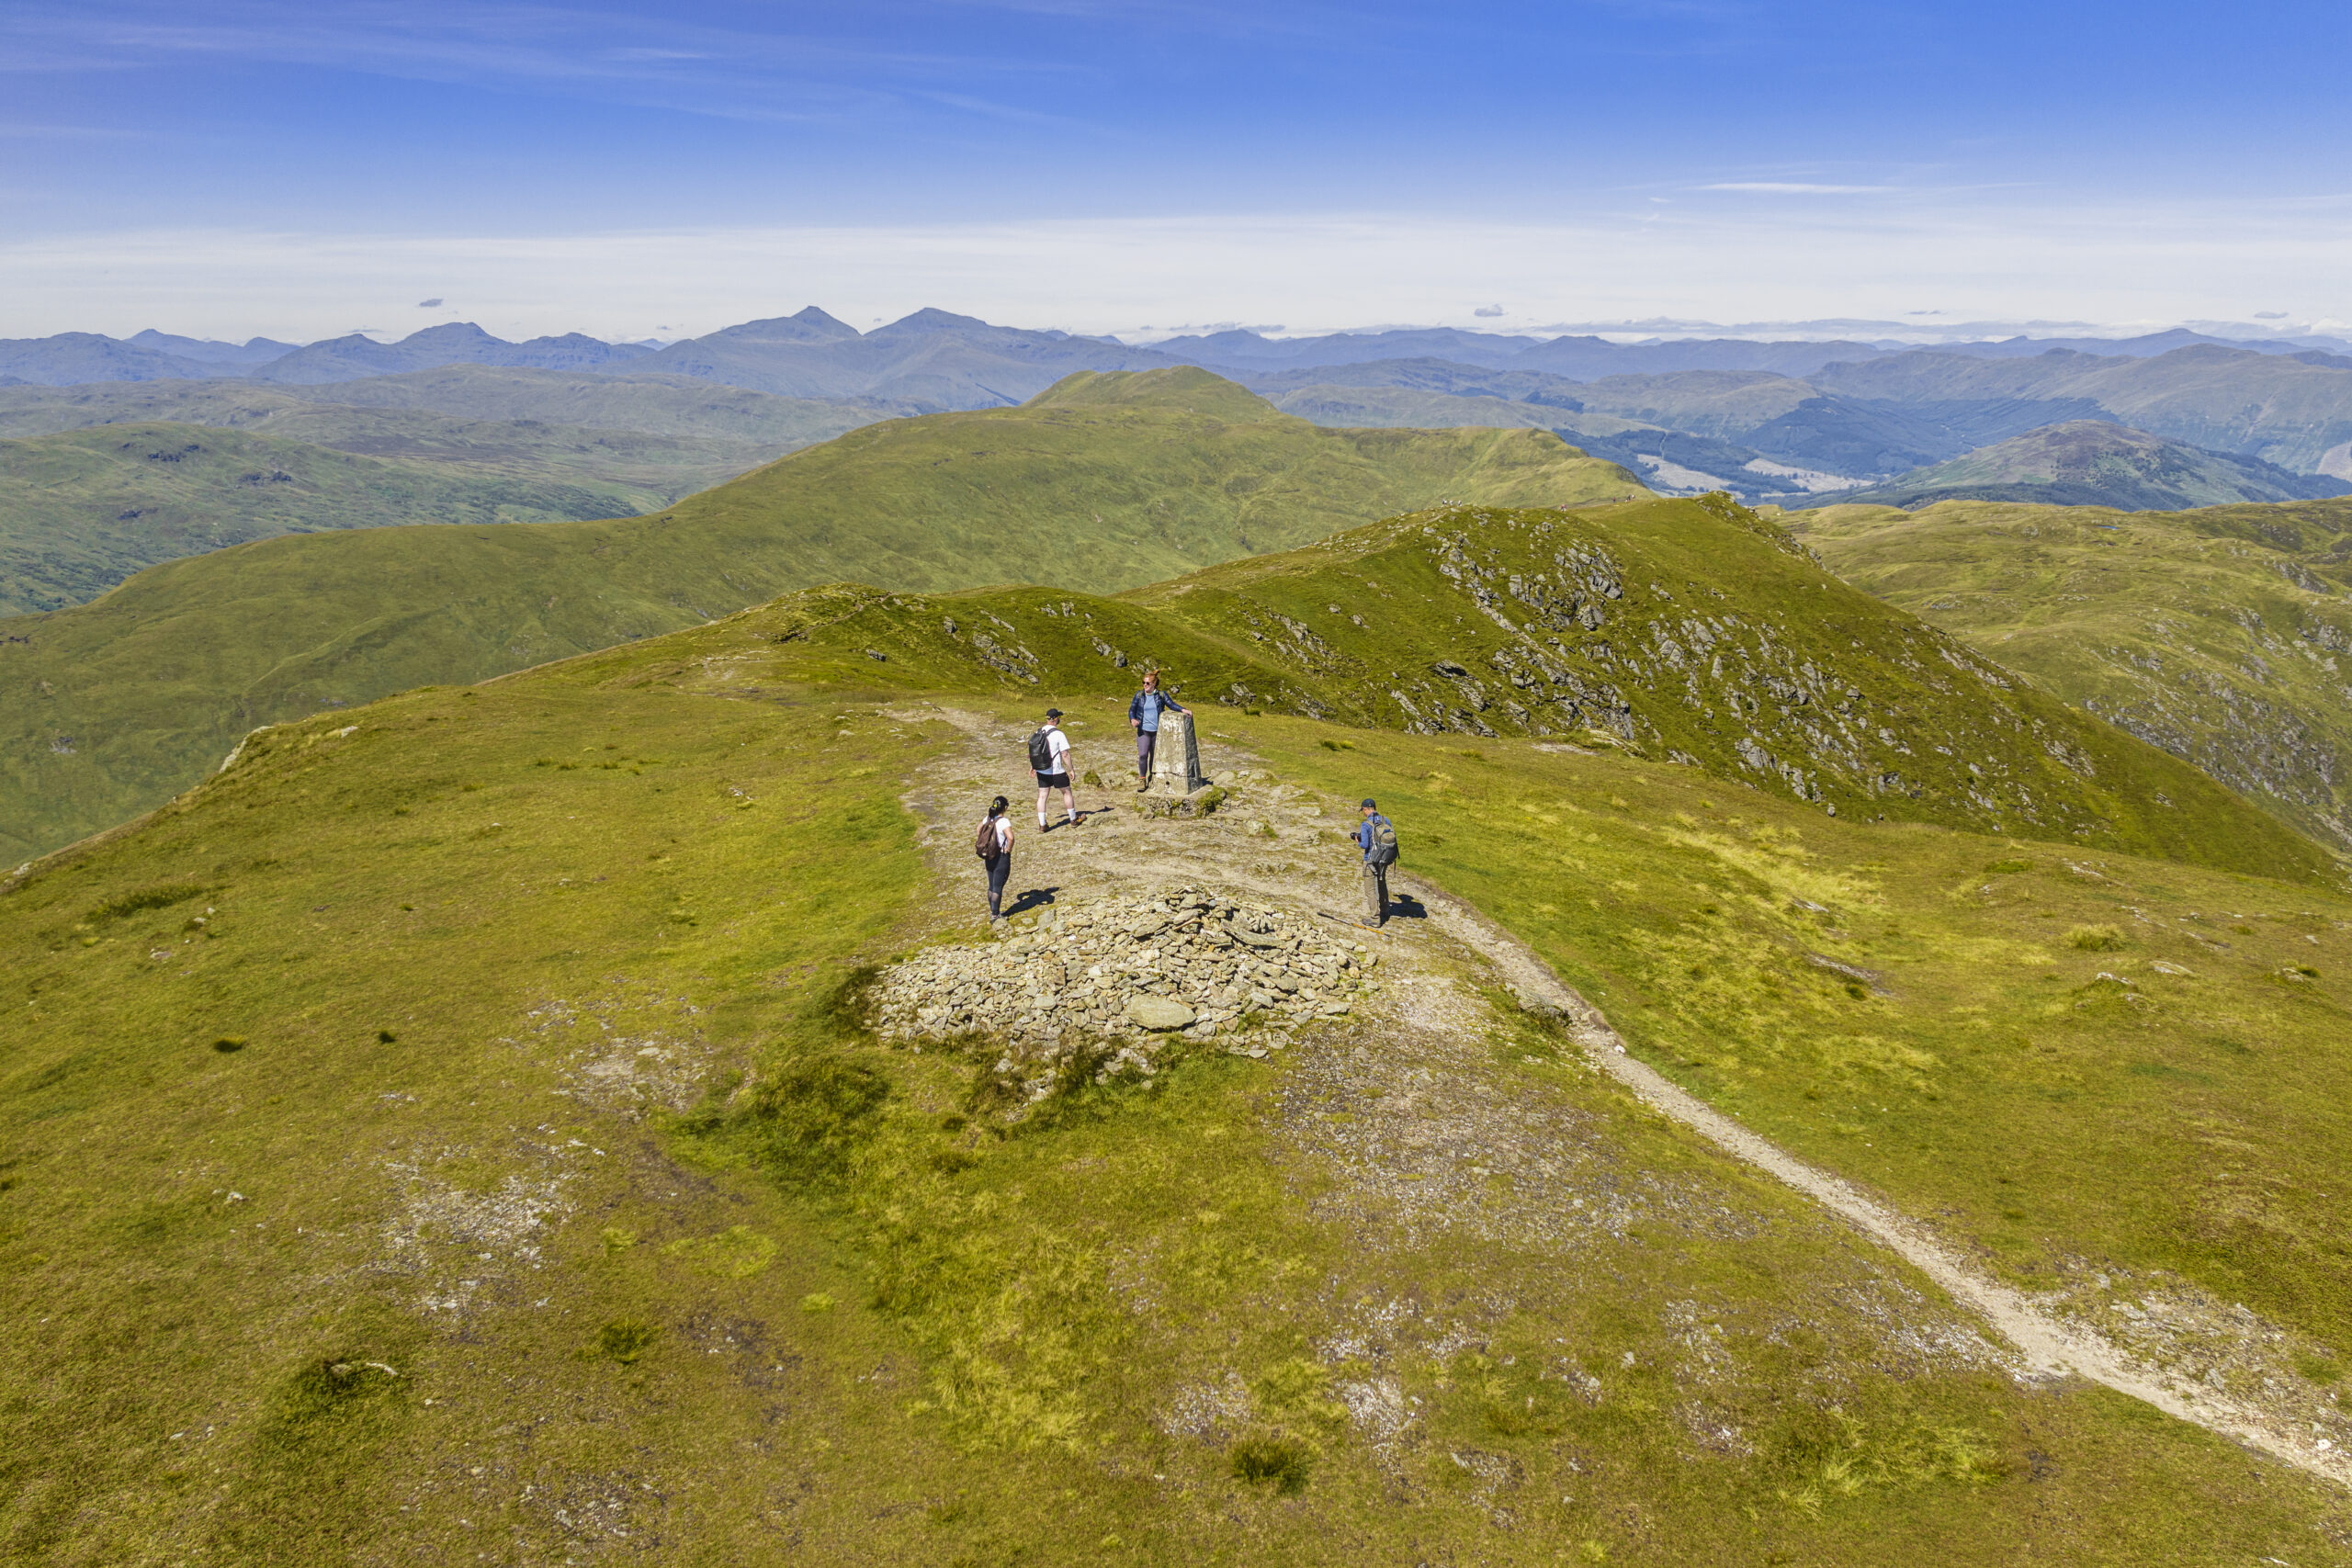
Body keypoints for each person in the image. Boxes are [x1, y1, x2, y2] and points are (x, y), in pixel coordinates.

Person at [1128, 669, 1189, 791]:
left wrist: (1183, 710)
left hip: (1158, 732)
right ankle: (1142, 780)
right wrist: (1133, 720)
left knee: (1155, 757)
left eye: (1148, 683)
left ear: (1154, 684)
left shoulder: (1161, 695)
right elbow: (1132, 710)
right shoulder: (1139, 695)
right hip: (1143, 731)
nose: (1145, 685)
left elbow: (1171, 704)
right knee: (1143, 755)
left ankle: (1153, 778)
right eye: (1143, 683)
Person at [1029, 707, 1079, 831]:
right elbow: (1065, 754)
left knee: (1042, 796)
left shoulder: (1039, 731)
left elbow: (1035, 752)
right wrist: (1071, 769)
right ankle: (1073, 819)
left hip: (1042, 770)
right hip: (1057, 770)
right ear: (1056, 719)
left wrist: (1033, 766)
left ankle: (1042, 824)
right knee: (1067, 792)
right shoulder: (1059, 734)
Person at [1355, 797, 1398, 926]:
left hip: (1370, 860)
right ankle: (1385, 910)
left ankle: (1375, 919)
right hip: (1384, 859)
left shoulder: (1366, 824)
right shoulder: (1386, 820)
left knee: (1370, 890)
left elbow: (1364, 845)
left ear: (1365, 809)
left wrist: (1358, 841)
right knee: (1381, 883)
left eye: (1362, 810)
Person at [978, 795, 1014, 920]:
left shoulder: (987, 819)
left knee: (991, 885)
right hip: (1001, 856)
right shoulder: (1004, 821)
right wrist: (1008, 849)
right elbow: (1011, 837)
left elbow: (978, 830)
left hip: (989, 855)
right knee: (998, 886)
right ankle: (995, 914)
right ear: (1005, 808)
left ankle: (993, 910)